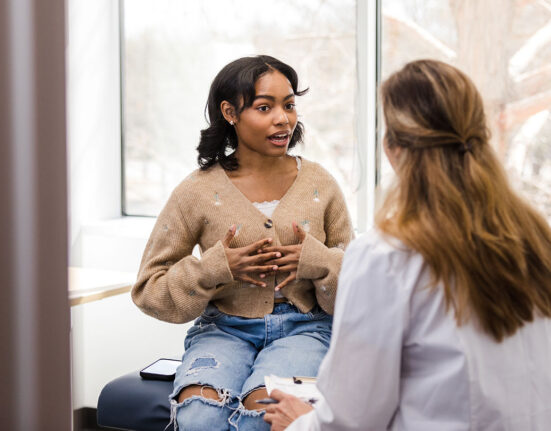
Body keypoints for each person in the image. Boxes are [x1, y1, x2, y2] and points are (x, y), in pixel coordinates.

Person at [264, 59, 551, 430]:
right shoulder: (536, 238)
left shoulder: (386, 258)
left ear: (393, 148)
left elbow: (351, 422)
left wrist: (302, 422)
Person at [131, 55, 354, 431]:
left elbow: (360, 286)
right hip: (222, 330)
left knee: (262, 417)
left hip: (306, 328)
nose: (283, 118)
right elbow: (149, 289)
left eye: (289, 105)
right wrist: (216, 269)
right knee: (200, 418)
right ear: (230, 112)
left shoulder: (322, 185)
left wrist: (318, 262)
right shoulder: (197, 191)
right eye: (265, 107)